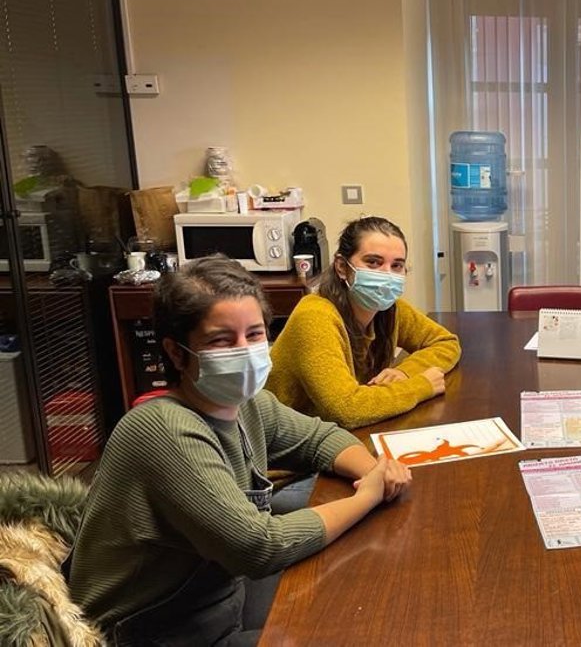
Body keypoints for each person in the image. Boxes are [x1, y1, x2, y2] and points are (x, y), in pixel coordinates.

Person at [69, 255, 410, 645]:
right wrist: (367, 497)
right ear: (176, 352)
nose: (244, 351)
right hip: (155, 632)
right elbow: (258, 548)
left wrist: (373, 471)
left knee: (356, 598)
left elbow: (320, 438)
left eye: (254, 334)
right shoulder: (164, 430)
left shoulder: (246, 405)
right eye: (221, 340)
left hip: (219, 597)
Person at [269, 216, 461, 429]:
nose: (387, 275)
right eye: (373, 262)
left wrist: (405, 372)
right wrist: (421, 385)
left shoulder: (390, 308)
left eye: (397, 265)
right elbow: (345, 408)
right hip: (288, 439)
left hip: (336, 432)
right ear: (342, 267)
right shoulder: (314, 317)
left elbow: (445, 342)